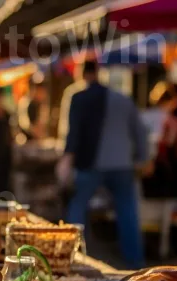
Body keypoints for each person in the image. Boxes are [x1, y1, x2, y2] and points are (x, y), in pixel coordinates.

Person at [56, 61, 150, 269]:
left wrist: (66, 160)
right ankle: (135, 264)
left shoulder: (78, 97)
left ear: (81, 75)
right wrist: (143, 159)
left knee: (78, 206)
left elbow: (73, 134)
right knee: (127, 210)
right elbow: (140, 133)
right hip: (123, 165)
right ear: (98, 73)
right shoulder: (123, 99)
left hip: (91, 165)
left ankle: (73, 258)